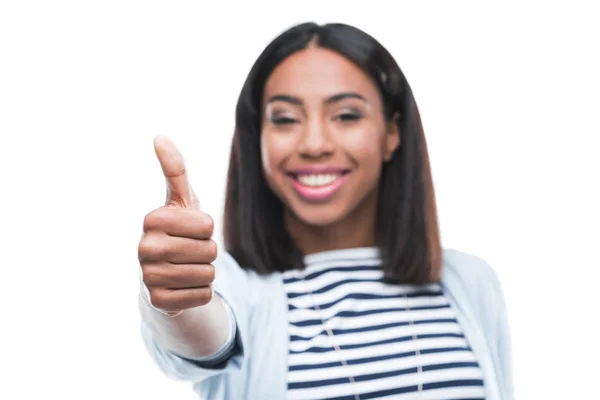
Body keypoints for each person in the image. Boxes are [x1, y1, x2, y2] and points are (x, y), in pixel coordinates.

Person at [137, 22, 514, 400]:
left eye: (347, 116)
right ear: (259, 140)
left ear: (392, 133)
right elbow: (199, 331)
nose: (315, 144)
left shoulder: (469, 284)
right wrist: (176, 296)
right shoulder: (237, 288)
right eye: (285, 119)